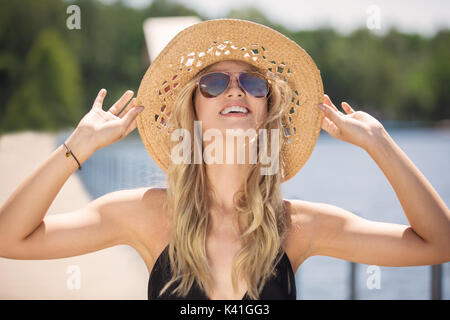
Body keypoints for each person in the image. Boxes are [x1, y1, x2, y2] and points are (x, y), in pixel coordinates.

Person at [0, 19, 449, 300]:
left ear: (266, 109)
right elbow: (10, 238)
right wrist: (75, 148)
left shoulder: (297, 227)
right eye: (214, 82)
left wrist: (381, 145)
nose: (235, 89)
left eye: (253, 83)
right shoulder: (146, 215)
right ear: (191, 108)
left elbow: (438, 243)